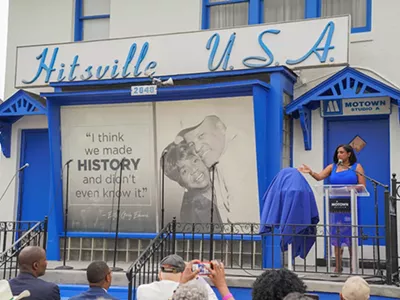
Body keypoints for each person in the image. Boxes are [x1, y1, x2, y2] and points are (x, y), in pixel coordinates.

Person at [176, 115, 260, 224]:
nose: (196, 148)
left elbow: (243, 231)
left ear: (220, 127)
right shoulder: (220, 152)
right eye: (191, 144)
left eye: (201, 136)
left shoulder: (236, 159)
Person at [298, 144, 366, 274]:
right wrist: (310, 172)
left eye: (341, 152)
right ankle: (337, 266)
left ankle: (353, 267)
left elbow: (362, 185)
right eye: (338, 152)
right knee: (337, 236)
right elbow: (319, 177)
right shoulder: (332, 167)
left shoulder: (357, 167)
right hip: (335, 206)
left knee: (351, 236)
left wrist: (351, 188)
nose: (339, 155)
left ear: (349, 154)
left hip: (351, 206)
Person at [163, 142, 222, 224]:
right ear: (182, 183)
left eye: (194, 161)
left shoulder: (224, 177)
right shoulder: (190, 214)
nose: (194, 170)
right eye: (185, 171)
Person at [136, 254, 218, 300]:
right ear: (183, 274)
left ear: (160, 275)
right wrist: (196, 277)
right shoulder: (187, 294)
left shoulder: (142, 290)